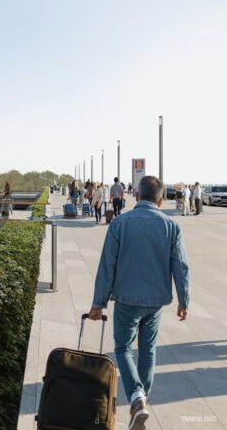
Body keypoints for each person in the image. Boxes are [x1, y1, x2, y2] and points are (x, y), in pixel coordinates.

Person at [89, 176, 190, 430]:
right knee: (148, 350)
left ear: (136, 196)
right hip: (156, 301)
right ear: (160, 199)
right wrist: (183, 300)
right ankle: (142, 400)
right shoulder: (171, 226)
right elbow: (181, 266)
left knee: (123, 348)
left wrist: (98, 302)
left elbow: (107, 265)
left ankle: (136, 397)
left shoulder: (120, 223)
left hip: (126, 299)